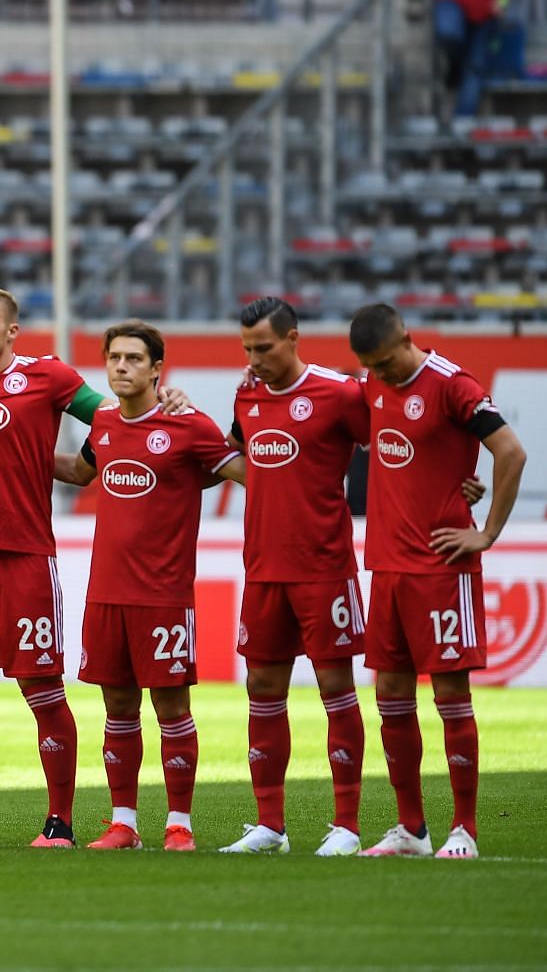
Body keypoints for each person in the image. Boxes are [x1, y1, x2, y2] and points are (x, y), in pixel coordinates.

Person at [0, 286, 186, 848]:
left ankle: (59, 822)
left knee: (41, 688)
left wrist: (166, 401)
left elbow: (112, 416)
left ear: (13, 331)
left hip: (25, 559)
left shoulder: (49, 377)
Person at [349, 304, 526, 860]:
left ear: (407, 338)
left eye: (386, 362)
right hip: (387, 568)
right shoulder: (371, 387)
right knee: (392, 697)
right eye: (370, 367)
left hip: (442, 570)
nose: (381, 375)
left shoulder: (452, 385)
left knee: (451, 693)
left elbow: (511, 452)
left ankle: (465, 830)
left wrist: (487, 532)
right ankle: (411, 830)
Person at [62, 322, 246, 852]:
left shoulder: (185, 425)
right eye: (114, 358)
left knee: (171, 709)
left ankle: (179, 824)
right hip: (106, 594)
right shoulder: (102, 422)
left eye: (133, 359)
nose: (121, 367)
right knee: (117, 708)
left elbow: (248, 473)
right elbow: (80, 471)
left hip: (163, 596)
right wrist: (4, 459)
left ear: (156, 369)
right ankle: (124, 824)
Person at [219, 297, 371, 856]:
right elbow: (239, 452)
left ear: (293, 338)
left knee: (335, 687)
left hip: (324, 569)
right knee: (262, 688)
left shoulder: (339, 394)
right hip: (262, 569)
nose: (255, 358)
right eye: (247, 349)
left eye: (264, 347)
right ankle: (270, 826)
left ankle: (348, 826)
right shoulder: (247, 393)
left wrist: (455, 484)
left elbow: (398, 443)